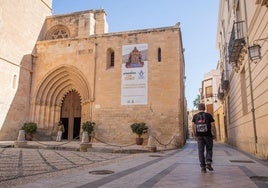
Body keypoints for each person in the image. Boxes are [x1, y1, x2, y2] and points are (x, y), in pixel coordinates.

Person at [192, 103, 216, 173]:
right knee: (209, 149)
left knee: (200, 151)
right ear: (204, 108)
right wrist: (214, 133)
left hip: (199, 136)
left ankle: (203, 167)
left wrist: (194, 135)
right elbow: (213, 125)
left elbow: (193, 127)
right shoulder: (208, 115)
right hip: (208, 135)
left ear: (198, 108)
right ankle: (208, 162)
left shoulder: (195, 116)